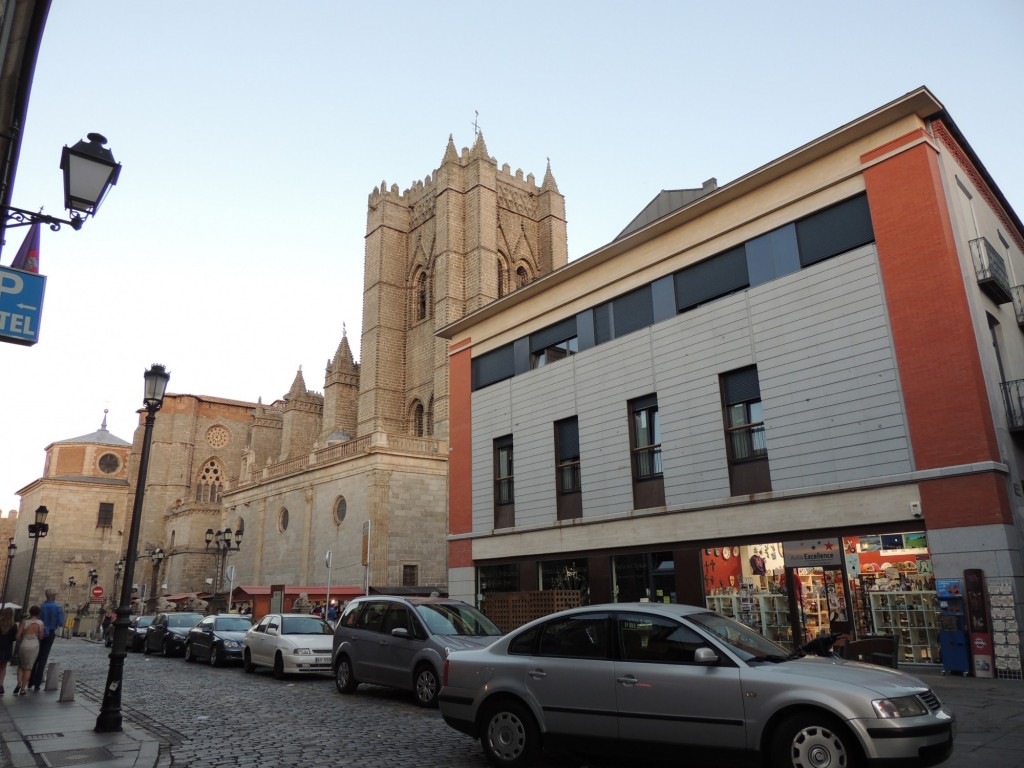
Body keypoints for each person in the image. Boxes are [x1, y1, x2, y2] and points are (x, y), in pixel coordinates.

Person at [28, 588, 65, 691]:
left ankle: (30, 681)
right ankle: (37, 683)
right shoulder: (58, 607)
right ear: (52, 596)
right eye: (55, 595)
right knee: (43, 658)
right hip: (50, 633)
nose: (55, 596)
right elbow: (61, 623)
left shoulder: (41, 606)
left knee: (35, 657)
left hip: (38, 632)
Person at [15, 605, 44, 695]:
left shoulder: (25, 622)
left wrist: (19, 639)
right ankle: (23, 689)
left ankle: (19, 683)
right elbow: (41, 636)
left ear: (30, 612)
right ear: (38, 613)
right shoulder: (40, 623)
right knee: (28, 668)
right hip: (34, 645)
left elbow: (18, 635)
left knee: (21, 666)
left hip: (24, 644)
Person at [0, 607, 16, 694]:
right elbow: (14, 638)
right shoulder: (13, 625)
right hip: (7, 648)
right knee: (3, 667)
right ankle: (1, 685)